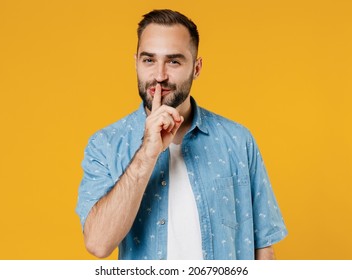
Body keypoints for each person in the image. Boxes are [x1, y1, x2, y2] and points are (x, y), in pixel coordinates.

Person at [75, 9, 287, 260]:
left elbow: (263, 248)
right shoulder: (106, 144)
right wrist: (147, 152)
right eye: (149, 60)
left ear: (196, 68)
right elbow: (98, 244)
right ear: (135, 63)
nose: (160, 75)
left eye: (174, 61)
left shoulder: (238, 141)